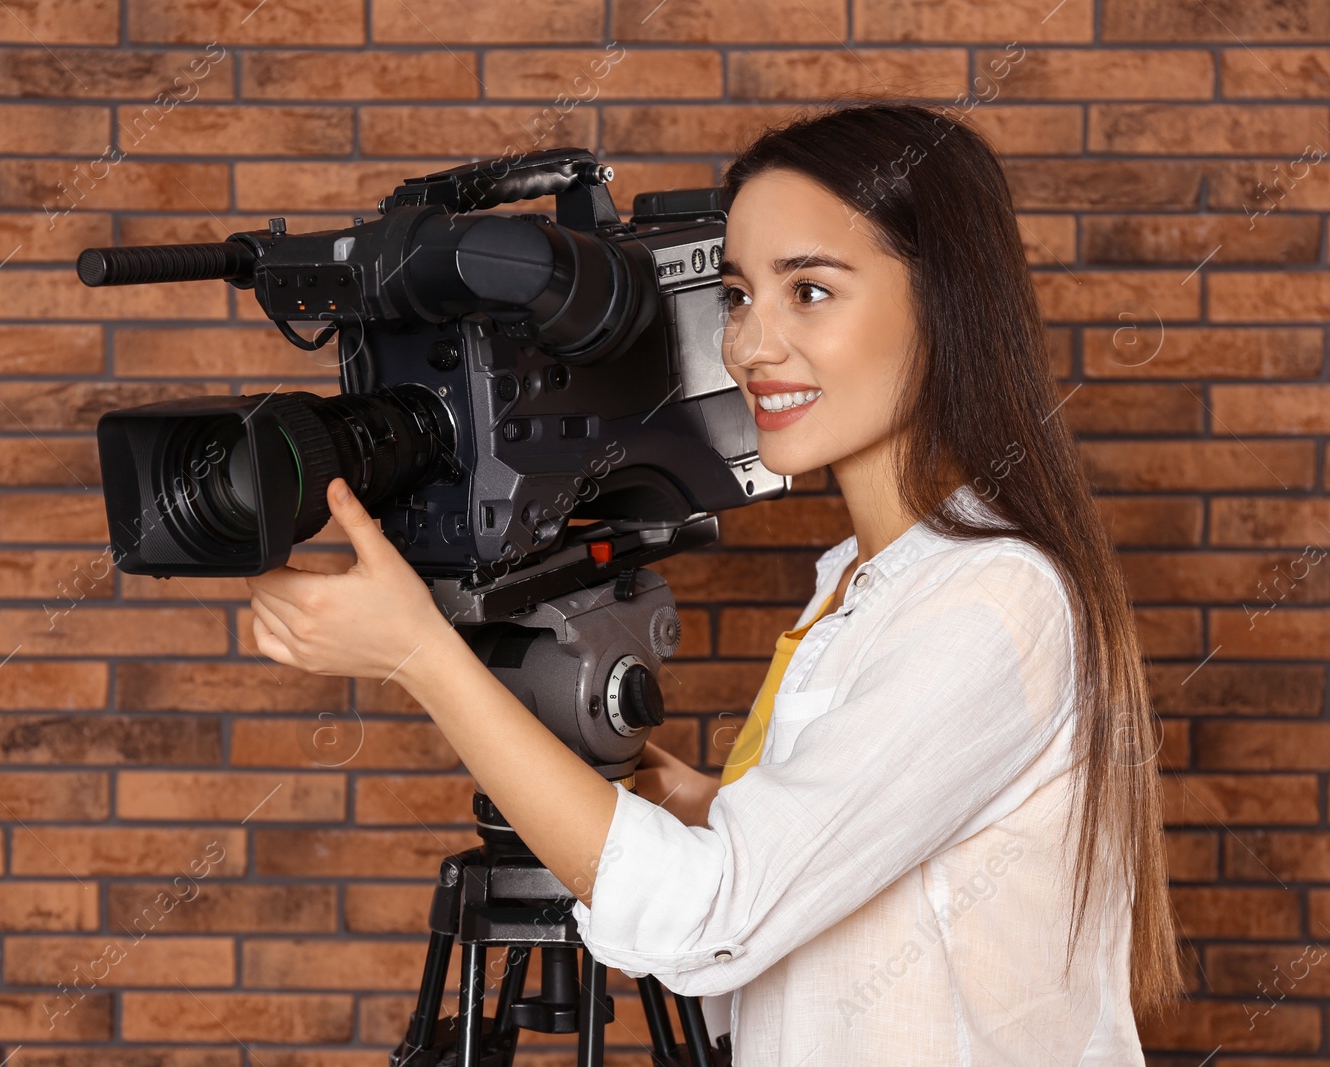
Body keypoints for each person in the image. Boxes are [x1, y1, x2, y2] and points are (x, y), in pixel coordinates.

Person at [245, 102, 1183, 1064]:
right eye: (738, 295)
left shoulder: (988, 601)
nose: (750, 345)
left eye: (809, 291)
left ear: (948, 306)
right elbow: (831, 845)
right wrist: (687, 799)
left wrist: (422, 654)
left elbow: (710, 917)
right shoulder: (861, 581)